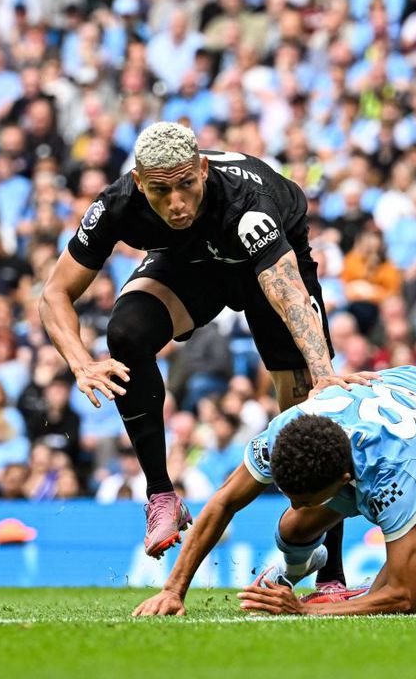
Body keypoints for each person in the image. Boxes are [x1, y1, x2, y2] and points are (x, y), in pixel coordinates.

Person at [39, 122, 368, 596]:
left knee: (310, 416)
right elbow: (55, 293)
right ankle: (161, 495)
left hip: (267, 265)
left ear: (203, 170)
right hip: (192, 262)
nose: (176, 202)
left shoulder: (246, 203)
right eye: (161, 191)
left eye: (186, 185)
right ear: (139, 184)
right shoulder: (116, 204)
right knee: (125, 334)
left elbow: (289, 294)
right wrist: (80, 362)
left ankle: (330, 574)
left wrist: (323, 375)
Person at [132, 365, 416, 617]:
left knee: (389, 596)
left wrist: (303, 609)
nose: (297, 504)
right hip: (408, 386)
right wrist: (173, 590)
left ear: (345, 479)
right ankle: (298, 566)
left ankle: (336, 591)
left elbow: (403, 598)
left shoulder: (391, 475)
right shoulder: (284, 431)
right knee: (293, 528)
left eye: (306, 499)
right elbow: (224, 501)